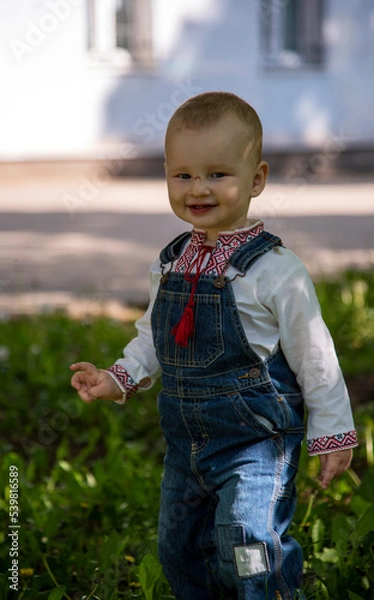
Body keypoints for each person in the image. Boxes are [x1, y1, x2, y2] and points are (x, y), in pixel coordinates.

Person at [70, 91, 357, 599]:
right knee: (181, 548)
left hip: (256, 444)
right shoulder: (171, 261)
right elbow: (154, 335)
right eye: (182, 175)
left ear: (258, 179)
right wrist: (118, 378)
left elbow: (316, 355)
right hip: (187, 447)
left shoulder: (273, 270)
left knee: (248, 548)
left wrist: (333, 431)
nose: (198, 188)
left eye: (217, 174)